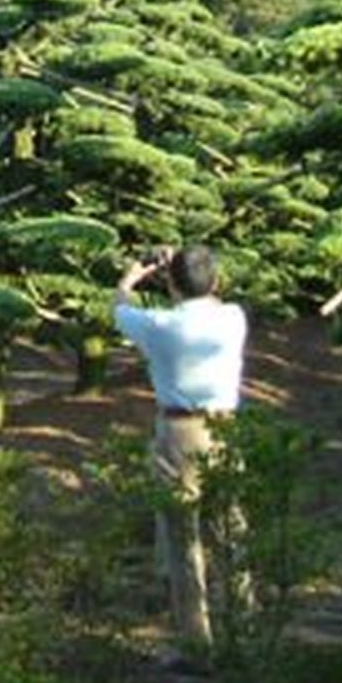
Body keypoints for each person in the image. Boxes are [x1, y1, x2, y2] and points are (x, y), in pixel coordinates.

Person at [114, 244, 248, 657]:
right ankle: (245, 624)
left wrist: (131, 278)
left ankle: (196, 643)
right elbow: (211, 297)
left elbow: (119, 308)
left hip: (178, 432)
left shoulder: (158, 325)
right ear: (218, 281)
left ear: (171, 284)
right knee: (231, 530)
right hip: (227, 429)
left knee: (182, 538)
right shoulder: (233, 318)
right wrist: (181, 266)